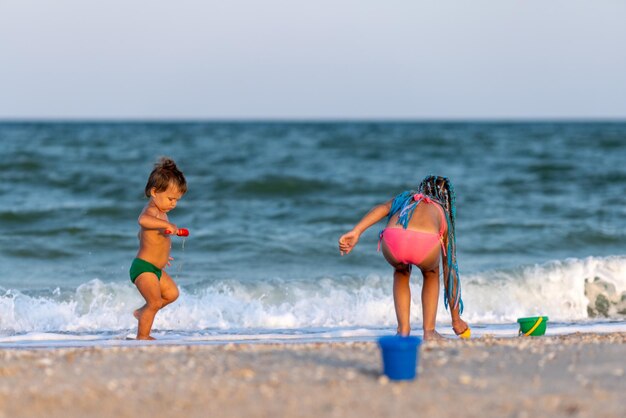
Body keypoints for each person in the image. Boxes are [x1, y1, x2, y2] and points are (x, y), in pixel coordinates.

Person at [338, 175, 469, 340]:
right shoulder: (442, 212)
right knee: (431, 273)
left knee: (401, 272)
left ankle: (403, 330)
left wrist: (356, 231)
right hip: (425, 244)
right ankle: (429, 331)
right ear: (447, 200)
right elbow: (450, 271)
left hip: (393, 239)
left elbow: (382, 208)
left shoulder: (407, 198)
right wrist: (456, 320)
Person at [130, 157, 187, 340]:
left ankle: (142, 313)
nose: (173, 204)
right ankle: (143, 336)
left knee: (172, 294)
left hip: (156, 268)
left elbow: (142, 235)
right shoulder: (151, 211)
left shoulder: (162, 214)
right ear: (154, 192)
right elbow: (142, 221)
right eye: (170, 198)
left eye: (176, 200)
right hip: (143, 267)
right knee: (154, 302)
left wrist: (161, 254)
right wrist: (168, 228)